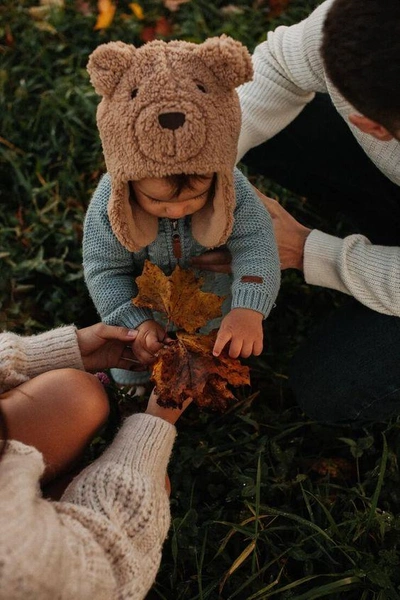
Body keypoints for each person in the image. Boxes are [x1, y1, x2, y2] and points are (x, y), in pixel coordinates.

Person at [193, 0, 400, 425]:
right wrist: (200, 177)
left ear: (371, 128)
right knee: (230, 117)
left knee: (332, 386)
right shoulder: (353, 24)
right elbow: (277, 68)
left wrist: (306, 250)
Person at [82, 36, 280, 389]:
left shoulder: (234, 191)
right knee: (133, 361)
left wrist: (248, 308)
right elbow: (104, 271)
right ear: (127, 181)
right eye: (156, 202)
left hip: (216, 309)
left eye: (195, 198)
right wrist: (136, 321)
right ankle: (130, 389)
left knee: (213, 357)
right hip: (143, 319)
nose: (175, 210)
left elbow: (258, 246)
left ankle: (210, 377)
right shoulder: (108, 208)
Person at [0, 321, 190, 599]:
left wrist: (46, 353)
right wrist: (155, 423)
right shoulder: (14, 562)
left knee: (75, 397)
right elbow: (109, 563)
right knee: (154, 483)